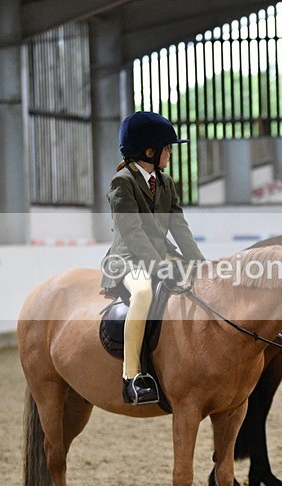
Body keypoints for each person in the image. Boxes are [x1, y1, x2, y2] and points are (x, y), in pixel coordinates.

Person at [101, 111, 206, 404]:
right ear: (150, 151)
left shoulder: (165, 181)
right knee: (144, 293)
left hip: (162, 255)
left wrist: (200, 262)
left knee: (199, 285)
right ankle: (132, 376)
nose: (171, 153)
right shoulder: (122, 182)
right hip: (128, 259)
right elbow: (131, 231)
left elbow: (178, 225)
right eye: (168, 148)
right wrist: (159, 266)